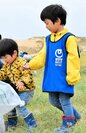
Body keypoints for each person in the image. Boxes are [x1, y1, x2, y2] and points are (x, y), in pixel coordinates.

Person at [22, 4, 81, 132]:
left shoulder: (69, 38)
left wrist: (72, 76)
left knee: (64, 101)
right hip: (52, 77)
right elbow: (42, 55)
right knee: (54, 101)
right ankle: (75, 116)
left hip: (65, 77)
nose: (46, 26)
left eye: (47, 23)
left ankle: (68, 125)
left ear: (58, 21)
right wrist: (30, 65)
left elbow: (73, 58)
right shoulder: (48, 39)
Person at [0, 38, 37, 129]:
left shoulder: (21, 62)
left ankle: (32, 124)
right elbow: (3, 73)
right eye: (2, 58)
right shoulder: (7, 64)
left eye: (5, 57)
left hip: (26, 90)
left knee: (19, 105)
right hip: (16, 90)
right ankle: (12, 124)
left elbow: (27, 75)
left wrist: (22, 82)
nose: (4, 60)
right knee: (10, 104)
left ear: (14, 53)